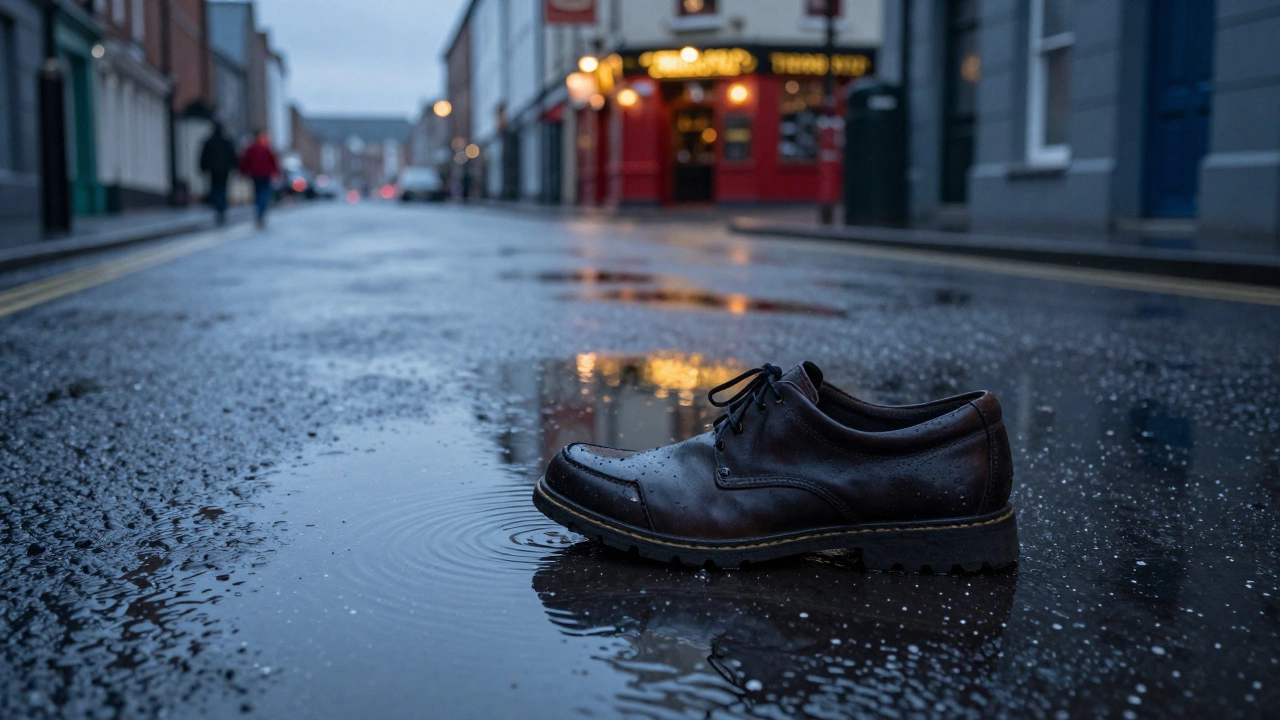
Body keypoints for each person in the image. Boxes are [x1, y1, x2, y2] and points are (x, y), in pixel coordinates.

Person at [238, 130, 280, 228]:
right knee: (264, 193)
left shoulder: (251, 148)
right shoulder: (266, 148)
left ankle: (259, 210)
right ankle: (261, 211)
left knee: (258, 192)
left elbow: (245, 160)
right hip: (265, 174)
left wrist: (242, 171)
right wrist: (276, 172)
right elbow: (273, 161)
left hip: (255, 174)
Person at [198, 122, 237, 225]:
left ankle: (218, 207)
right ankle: (221, 207)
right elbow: (232, 155)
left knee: (215, 188)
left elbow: (204, 156)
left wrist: (203, 167)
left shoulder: (209, 142)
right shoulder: (226, 142)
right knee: (222, 188)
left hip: (213, 170)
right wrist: (234, 166)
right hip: (224, 170)